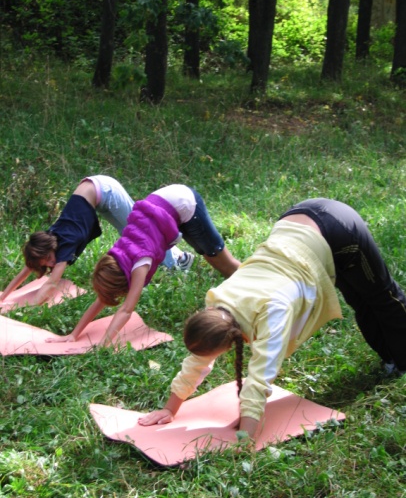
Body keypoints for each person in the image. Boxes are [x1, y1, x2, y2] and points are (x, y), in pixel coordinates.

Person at [138, 198, 406, 441]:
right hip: (298, 223)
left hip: (338, 228)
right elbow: (198, 359)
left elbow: (259, 378)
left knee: (384, 297)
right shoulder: (217, 304)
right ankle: (392, 360)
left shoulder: (271, 311)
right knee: (359, 298)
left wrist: (245, 436)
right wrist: (169, 409)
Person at [46, 184, 241, 346]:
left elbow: (126, 310)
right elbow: (102, 298)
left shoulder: (140, 263)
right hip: (164, 203)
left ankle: (256, 284)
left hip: (186, 203)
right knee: (207, 253)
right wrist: (74, 334)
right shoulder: (118, 257)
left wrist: (103, 344)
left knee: (223, 263)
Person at [0, 175, 193, 306]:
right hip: (96, 191)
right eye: (46, 263)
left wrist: (29, 308)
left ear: (51, 249)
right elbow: (28, 266)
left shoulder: (64, 245)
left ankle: (178, 263)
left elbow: (51, 283)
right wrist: (4, 296)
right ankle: (177, 257)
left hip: (107, 191)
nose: (51, 263)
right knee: (127, 230)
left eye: (50, 258)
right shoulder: (47, 240)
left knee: (144, 231)